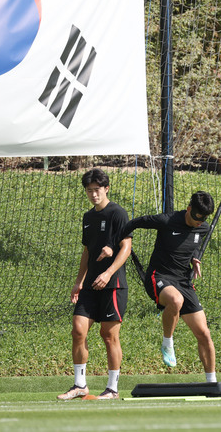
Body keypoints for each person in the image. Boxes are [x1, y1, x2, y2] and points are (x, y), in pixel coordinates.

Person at [120, 191, 217, 383]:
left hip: (183, 282)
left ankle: (212, 382)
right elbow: (135, 222)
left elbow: (194, 243)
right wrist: (118, 240)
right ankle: (167, 343)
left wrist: (195, 257)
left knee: (204, 333)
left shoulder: (203, 228)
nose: (200, 222)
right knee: (175, 300)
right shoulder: (167, 220)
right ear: (189, 209)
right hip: (159, 277)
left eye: (204, 219)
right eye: (197, 217)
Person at [57, 168, 132, 400]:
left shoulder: (118, 213)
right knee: (78, 330)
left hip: (113, 285)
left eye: (97, 190)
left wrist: (109, 273)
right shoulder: (88, 217)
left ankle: (112, 388)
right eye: (89, 191)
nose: (93, 195)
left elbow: (126, 248)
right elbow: (87, 251)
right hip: (89, 286)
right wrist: (79, 282)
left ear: (106, 188)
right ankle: (80, 385)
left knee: (108, 335)